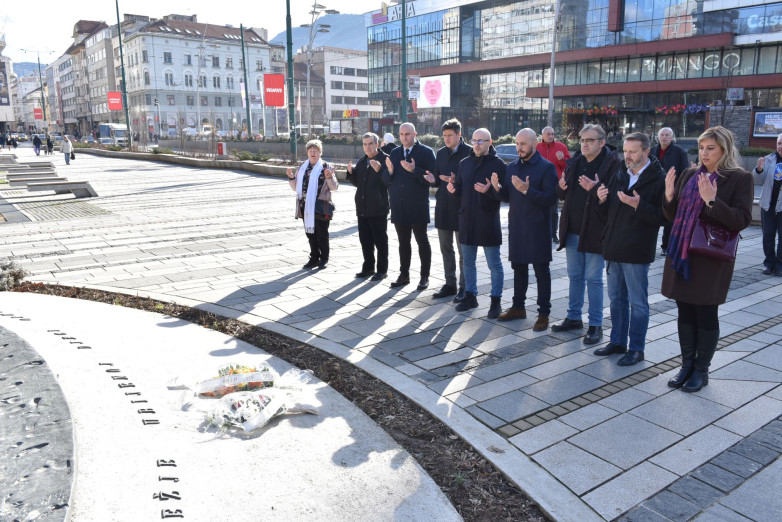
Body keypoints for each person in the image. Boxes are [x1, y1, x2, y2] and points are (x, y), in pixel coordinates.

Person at [663, 127, 753, 392]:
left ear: (724, 149)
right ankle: (686, 365)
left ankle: (702, 370)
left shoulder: (739, 178)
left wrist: (712, 202)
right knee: (684, 310)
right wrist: (669, 195)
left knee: (705, 312)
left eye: (710, 148)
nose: (704, 153)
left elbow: (742, 220)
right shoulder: (690, 174)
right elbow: (672, 216)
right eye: (702, 147)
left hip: (711, 256)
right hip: (682, 252)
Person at [595, 132, 667, 366]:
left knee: (638, 303)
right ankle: (617, 342)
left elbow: (664, 217)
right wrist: (601, 200)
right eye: (625, 151)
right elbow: (605, 215)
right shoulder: (619, 174)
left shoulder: (658, 179)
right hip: (614, 247)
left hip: (637, 250)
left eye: (633, 152)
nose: (627, 156)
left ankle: (636, 349)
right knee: (616, 299)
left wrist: (638, 205)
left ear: (646, 152)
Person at [552, 124, 621, 345]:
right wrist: (560, 186)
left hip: (596, 230)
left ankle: (595, 324)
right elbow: (561, 193)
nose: (584, 144)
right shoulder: (575, 162)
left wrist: (595, 188)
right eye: (582, 140)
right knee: (575, 276)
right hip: (572, 229)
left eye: (589, 140)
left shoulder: (612, 165)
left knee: (593, 278)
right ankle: (573, 317)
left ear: (602, 142)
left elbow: (614, 199)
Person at [492, 128, 558, 330]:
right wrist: (496, 188)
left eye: (523, 144)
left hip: (538, 228)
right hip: (517, 227)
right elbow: (507, 196)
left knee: (541, 272)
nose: (519, 148)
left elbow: (551, 200)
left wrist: (527, 190)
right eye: (517, 144)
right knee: (518, 269)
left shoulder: (546, 168)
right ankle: (518, 307)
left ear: (534, 144)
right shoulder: (512, 167)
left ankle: (544, 313)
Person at [447, 128, 506, 318]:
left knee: (494, 264)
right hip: (467, 219)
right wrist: (453, 189)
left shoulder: (498, 164)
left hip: (488, 220)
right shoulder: (464, 163)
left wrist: (491, 190)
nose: (477, 144)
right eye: (474, 141)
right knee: (468, 262)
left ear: (490, 142)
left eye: (481, 141)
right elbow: (460, 189)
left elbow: (505, 195)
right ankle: (470, 296)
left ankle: (495, 301)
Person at [384, 123, 436, 290]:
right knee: (403, 242)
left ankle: (424, 276)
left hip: (417, 205)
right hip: (399, 205)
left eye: (407, 134)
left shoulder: (426, 152)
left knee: (422, 241)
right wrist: (388, 171)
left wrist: (415, 170)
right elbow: (386, 180)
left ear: (415, 134)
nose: (404, 137)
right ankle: (404, 275)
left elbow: (432, 178)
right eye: (401, 134)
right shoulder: (395, 152)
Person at [429, 118, 471, 301]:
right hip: (443, 206)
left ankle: (465, 287)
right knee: (446, 249)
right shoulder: (440, 153)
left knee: (464, 252)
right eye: (444, 135)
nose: (446, 138)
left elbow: (473, 181)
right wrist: (433, 180)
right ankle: (450, 284)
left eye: (450, 135)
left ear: (459, 134)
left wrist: (456, 181)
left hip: (462, 208)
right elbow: (438, 179)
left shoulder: (469, 152)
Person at [286, 139, 338, 270]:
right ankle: (314, 257)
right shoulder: (302, 167)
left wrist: (329, 177)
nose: (313, 153)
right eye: (310, 151)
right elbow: (295, 188)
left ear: (320, 152)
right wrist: (291, 177)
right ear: (307, 152)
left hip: (321, 205)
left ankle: (324, 258)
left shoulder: (326, 167)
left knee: (322, 234)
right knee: (310, 233)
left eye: (315, 151)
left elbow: (334, 187)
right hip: (305, 205)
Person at [346, 132, 391, 281]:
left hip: (378, 208)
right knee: (365, 241)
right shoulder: (361, 161)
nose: (368, 147)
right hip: (362, 208)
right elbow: (358, 183)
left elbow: (389, 181)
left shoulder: (385, 159)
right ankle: (368, 267)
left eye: (371, 144)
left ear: (377, 144)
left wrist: (380, 170)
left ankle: (382, 270)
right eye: (365, 144)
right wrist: (351, 173)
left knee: (380, 241)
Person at [651, 127, 690, 256]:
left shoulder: (679, 152)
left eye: (667, 135)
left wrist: (680, 190)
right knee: (651, 217)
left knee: (669, 220)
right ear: (658, 137)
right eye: (662, 135)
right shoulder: (652, 150)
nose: (664, 137)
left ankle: (666, 246)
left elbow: (684, 172)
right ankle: (649, 246)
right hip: (654, 190)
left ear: (672, 137)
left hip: (672, 190)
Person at [536, 126, 571, 243]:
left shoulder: (561, 147)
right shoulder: (537, 147)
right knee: (539, 210)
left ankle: (553, 234)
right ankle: (540, 233)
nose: (551, 136)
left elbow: (568, 167)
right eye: (548, 134)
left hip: (554, 184)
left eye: (552, 134)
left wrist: (561, 159)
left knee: (553, 211)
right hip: (539, 184)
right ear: (542, 135)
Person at [754, 133, 782, 276]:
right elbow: (757, 181)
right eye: (779, 143)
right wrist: (759, 170)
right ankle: (769, 263)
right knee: (768, 237)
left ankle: (780, 265)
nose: (781, 146)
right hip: (768, 206)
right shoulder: (769, 160)